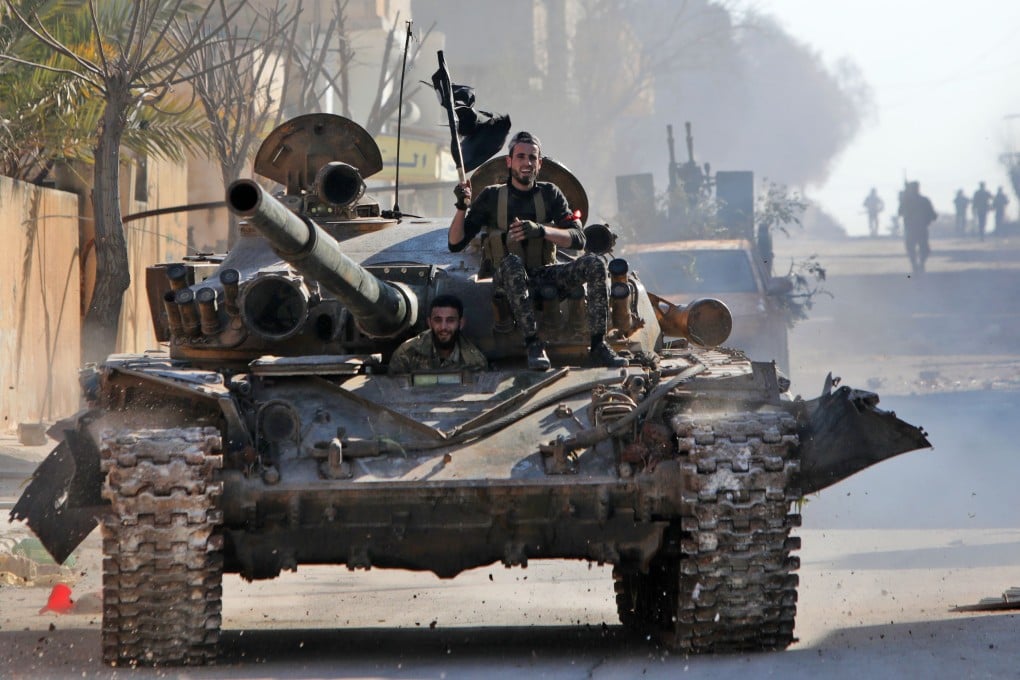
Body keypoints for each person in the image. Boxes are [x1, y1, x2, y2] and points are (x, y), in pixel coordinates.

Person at [448, 131, 627, 371]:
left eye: (532, 158)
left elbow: (578, 239)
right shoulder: (491, 196)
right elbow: (455, 243)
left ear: (539, 164)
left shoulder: (550, 194)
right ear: (509, 162)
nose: (527, 163)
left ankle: (598, 345)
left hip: (542, 274)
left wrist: (541, 231)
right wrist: (461, 207)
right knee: (511, 264)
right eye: (521, 156)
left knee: (595, 264)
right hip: (505, 280)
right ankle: (533, 344)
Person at [389, 294, 488, 374]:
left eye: (450, 320)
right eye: (437, 320)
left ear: (461, 323)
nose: (443, 327)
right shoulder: (406, 354)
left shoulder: (474, 362)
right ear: (429, 323)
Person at [898, 181, 936, 275]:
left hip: (916, 228)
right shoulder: (915, 200)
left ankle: (918, 264)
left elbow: (900, 212)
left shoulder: (916, 200)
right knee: (918, 249)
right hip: (916, 228)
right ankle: (917, 264)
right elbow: (900, 212)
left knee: (920, 249)